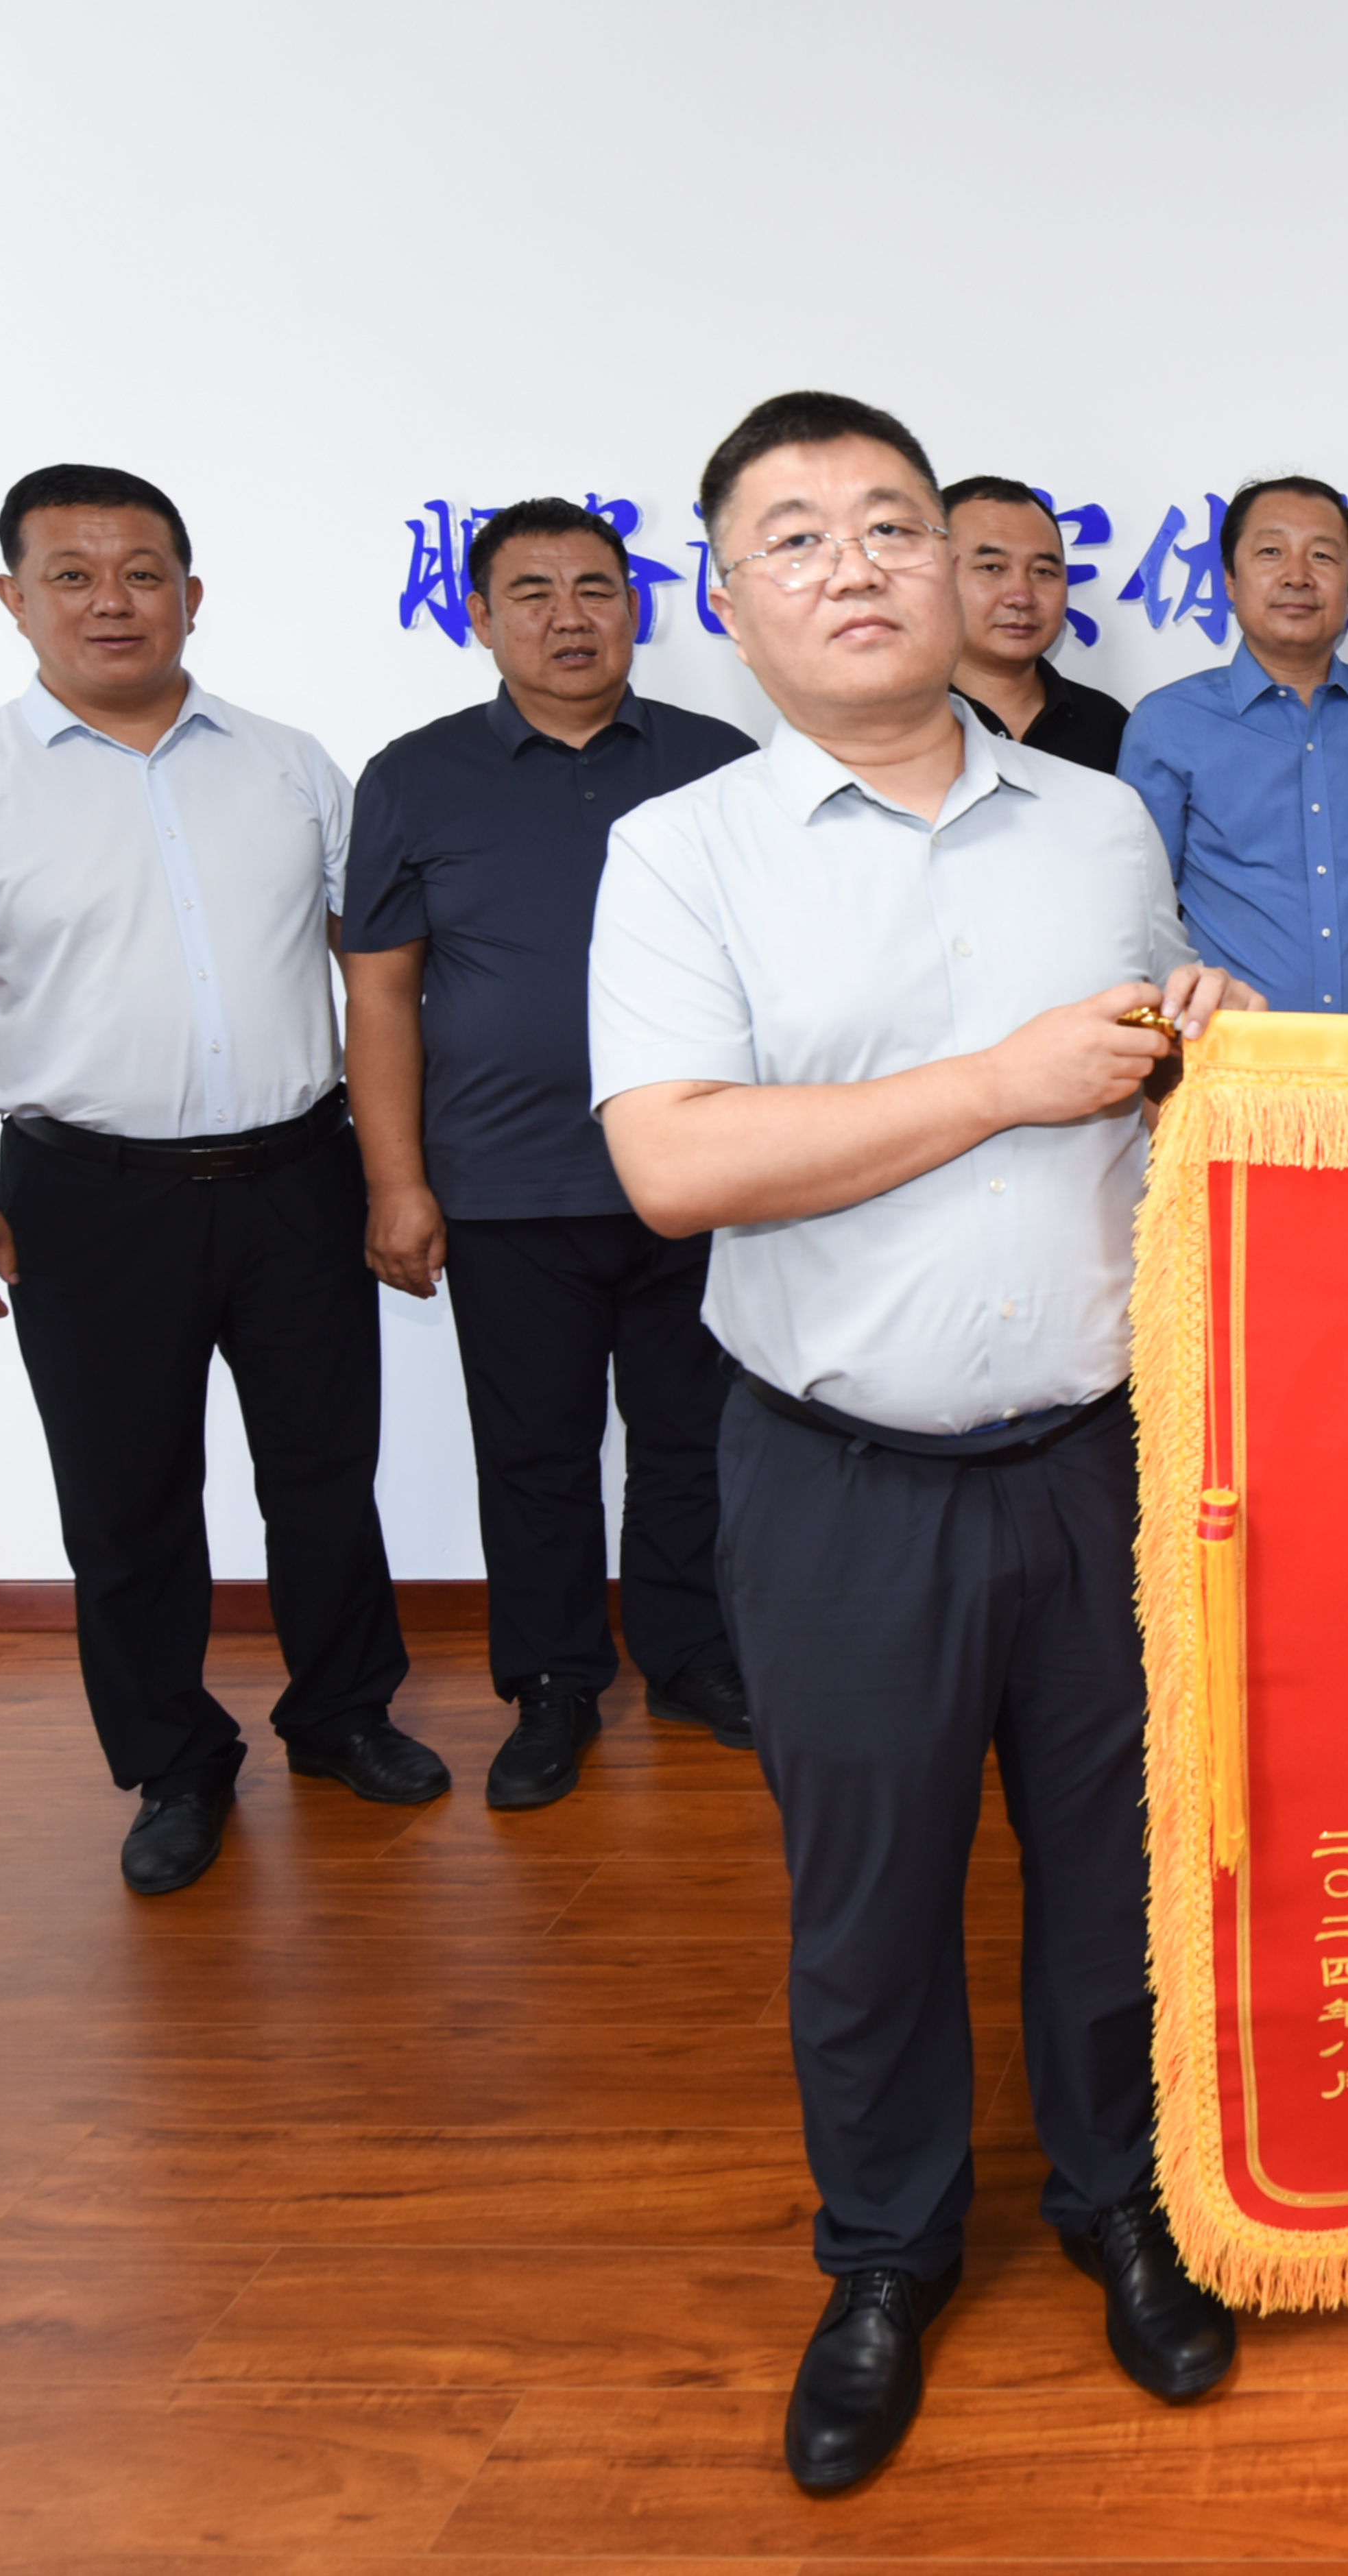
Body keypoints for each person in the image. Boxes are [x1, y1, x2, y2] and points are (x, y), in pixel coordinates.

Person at [592, 392, 1247, 2492]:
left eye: (891, 524)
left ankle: (1120, 2202)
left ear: (962, 573)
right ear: (727, 599)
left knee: (1116, 1875)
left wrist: (1198, 1037)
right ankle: (884, 2253)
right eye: (795, 537)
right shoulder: (680, 851)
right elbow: (675, 1165)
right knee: (867, 1901)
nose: (855, 565)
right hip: (841, 1471)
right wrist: (999, 1080)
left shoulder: (1100, 823)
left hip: (1095, 1454)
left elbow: (1136, 1067)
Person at [0, 464, 431, 1896]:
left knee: (325, 1474)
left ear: (191, 593)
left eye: (141, 572)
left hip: (297, 1173)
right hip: (88, 1195)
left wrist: (392, 1172)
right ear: (15, 599)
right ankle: (174, 1763)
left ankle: (343, 1716)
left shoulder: (290, 763)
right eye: (72, 574)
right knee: (125, 1501)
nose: (110, 601)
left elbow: (377, 978)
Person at [341, 498, 760, 1812]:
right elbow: (379, 991)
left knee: (695, 1438)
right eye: (532, 592)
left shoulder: (720, 762)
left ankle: (691, 1656)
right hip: (507, 1184)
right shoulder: (413, 776)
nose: (569, 618)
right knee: (535, 1454)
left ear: (636, 607)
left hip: (696, 1171)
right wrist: (396, 1181)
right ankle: (552, 1684)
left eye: (596, 588)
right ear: (479, 616)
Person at [1118, 476, 1348, 1013]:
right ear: (1229, 580)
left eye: (1322, 556)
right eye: (1271, 552)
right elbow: (1139, 912)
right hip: (1230, 1046)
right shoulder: (1167, 724)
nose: (1297, 576)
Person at [937, 474, 1129, 773]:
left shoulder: (1110, 726)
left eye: (1043, 571)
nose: (1021, 597)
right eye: (992, 567)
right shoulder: (888, 723)